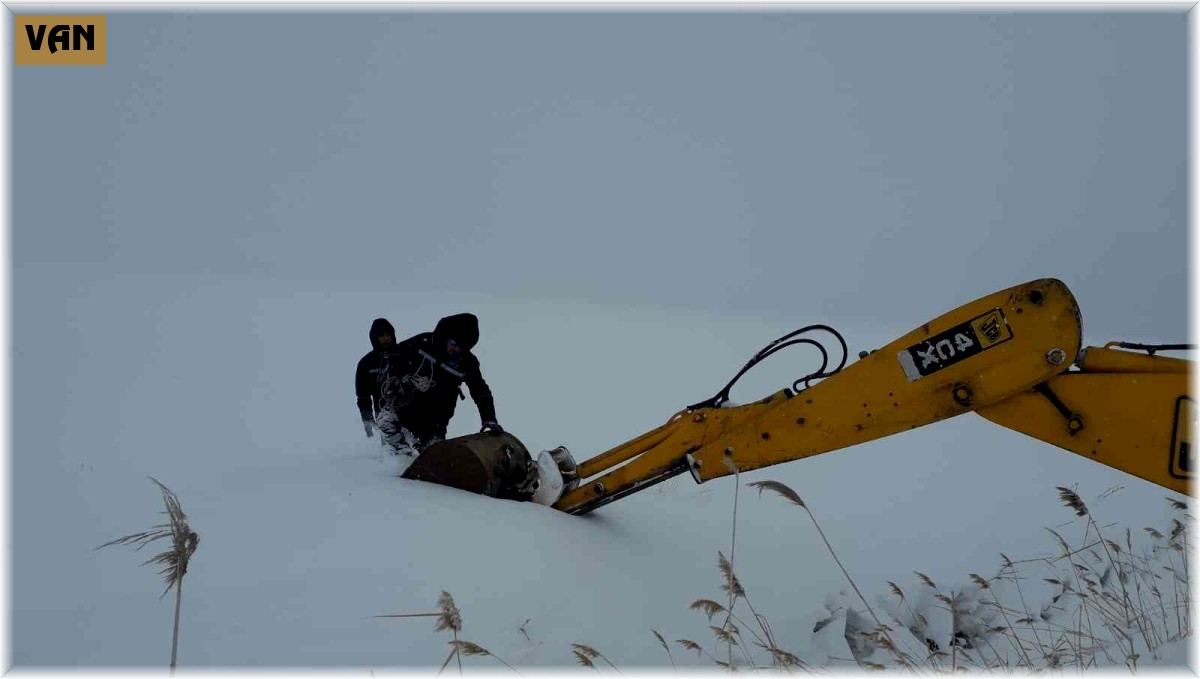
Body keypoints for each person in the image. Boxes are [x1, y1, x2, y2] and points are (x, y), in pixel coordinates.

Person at [375, 313, 501, 455]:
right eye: (454, 344)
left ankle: (421, 462)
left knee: (432, 454)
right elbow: (395, 356)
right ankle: (402, 459)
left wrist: (489, 418)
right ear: (446, 336)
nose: (456, 350)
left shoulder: (467, 362)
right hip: (406, 405)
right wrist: (403, 378)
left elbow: (480, 390)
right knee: (385, 421)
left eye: (462, 348)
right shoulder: (423, 343)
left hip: (436, 419)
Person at [355, 318, 397, 438]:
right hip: (384, 414)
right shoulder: (366, 363)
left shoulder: (404, 355)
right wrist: (368, 421)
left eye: (388, 334)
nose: (385, 338)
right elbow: (363, 395)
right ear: (375, 338)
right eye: (381, 335)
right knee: (391, 450)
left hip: (409, 411)